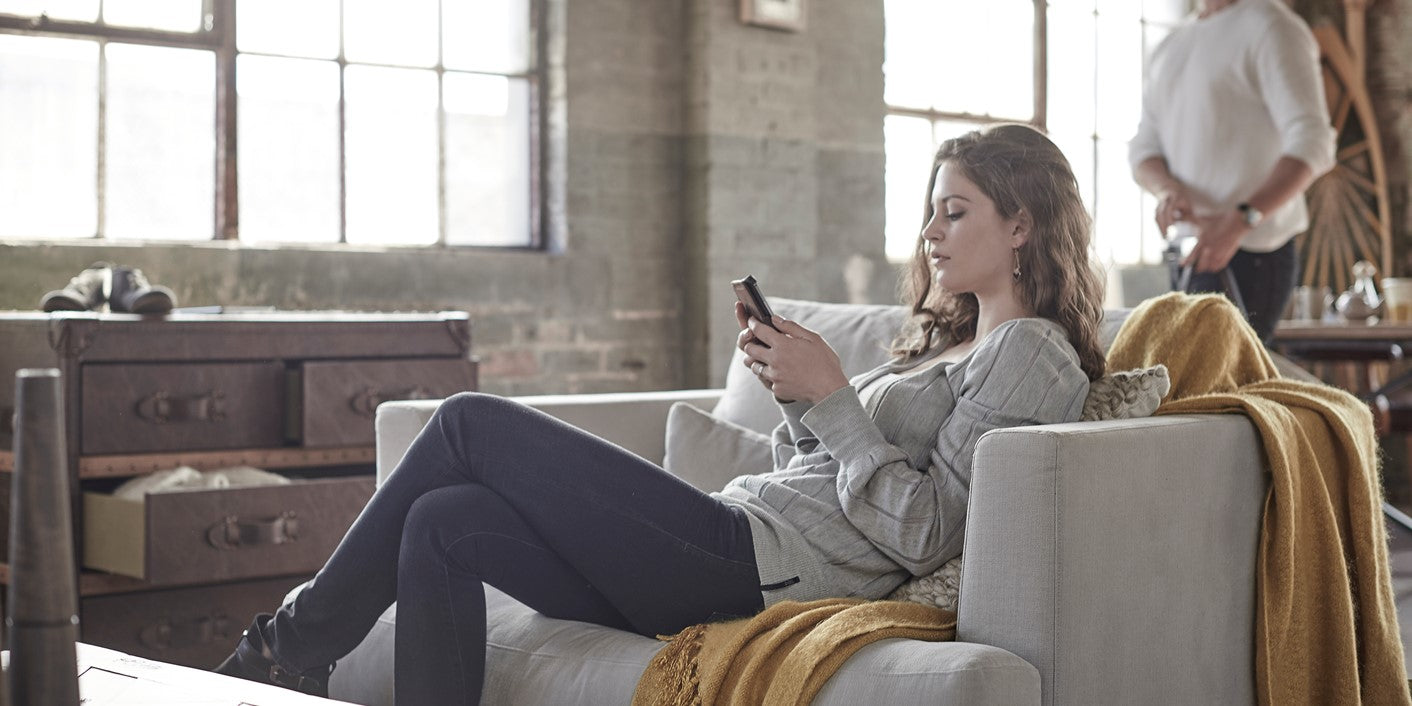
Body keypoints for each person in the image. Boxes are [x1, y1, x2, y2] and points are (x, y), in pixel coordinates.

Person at [213, 123, 1106, 706]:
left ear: (1022, 223)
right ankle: (295, 654)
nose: (931, 233)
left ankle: (286, 653)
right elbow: (832, 469)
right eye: (929, 215)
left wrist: (833, 396)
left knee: (469, 424)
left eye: (955, 212)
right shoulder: (940, 342)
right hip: (739, 533)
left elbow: (927, 532)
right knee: (449, 522)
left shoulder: (1028, 352)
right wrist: (799, 393)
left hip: (752, 572)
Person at [1130, 0, 1336, 344]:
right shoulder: (1170, 46)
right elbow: (1143, 149)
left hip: (1252, 254)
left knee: (1232, 394)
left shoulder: (1273, 27)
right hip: (1185, 253)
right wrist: (1167, 189)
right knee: (1192, 393)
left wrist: (1242, 219)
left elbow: (1313, 141)